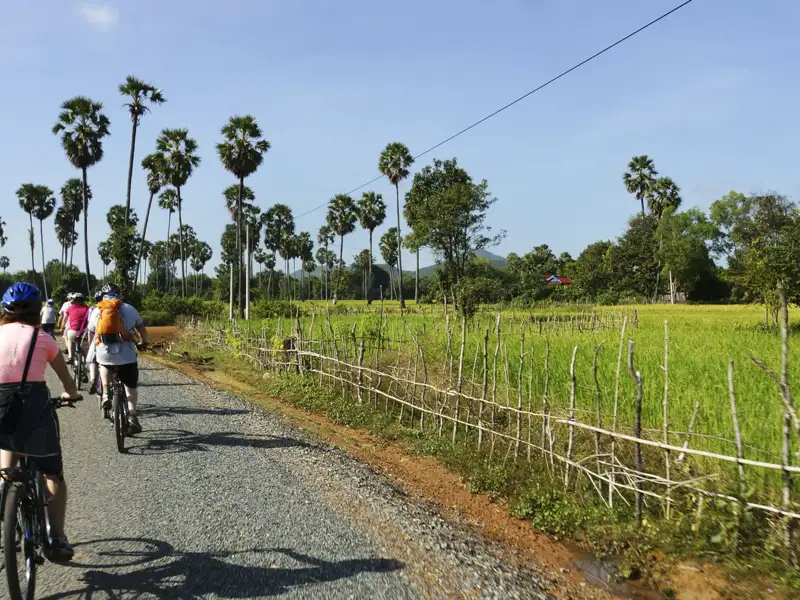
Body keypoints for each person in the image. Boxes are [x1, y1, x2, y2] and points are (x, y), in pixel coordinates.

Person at [0, 282, 81, 562]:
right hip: (34, 412)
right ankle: (57, 538)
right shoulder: (42, 339)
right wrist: (71, 394)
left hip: (1, 412)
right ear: (37, 312)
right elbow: (65, 377)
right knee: (51, 473)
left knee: (6, 444)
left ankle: (4, 495)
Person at [87, 284, 149, 434]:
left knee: (103, 364)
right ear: (119, 295)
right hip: (126, 354)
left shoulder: (97, 310)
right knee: (130, 386)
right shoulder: (129, 308)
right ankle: (132, 415)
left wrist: (93, 347)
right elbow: (141, 327)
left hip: (104, 352)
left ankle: (106, 392)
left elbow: (91, 332)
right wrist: (144, 341)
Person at [84, 290, 104, 395]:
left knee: (93, 360)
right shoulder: (119, 308)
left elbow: (90, 330)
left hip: (98, 339)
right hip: (117, 342)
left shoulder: (94, 310)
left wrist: (91, 344)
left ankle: (93, 379)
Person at [60, 293, 89, 365]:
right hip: (84, 332)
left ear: (74, 301)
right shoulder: (87, 309)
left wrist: (62, 327)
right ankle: (88, 361)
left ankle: (70, 357)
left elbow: (64, 320)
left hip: (73, 331)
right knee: (86, 347)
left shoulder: (70, 308)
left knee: (70, 341)